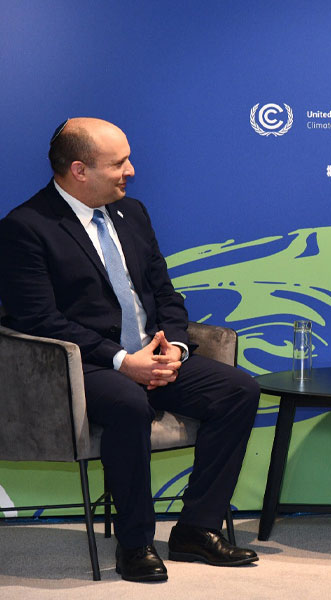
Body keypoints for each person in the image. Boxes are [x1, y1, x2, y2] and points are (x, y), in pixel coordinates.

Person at [0, 118, 262, 582]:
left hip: (153, 353)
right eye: (118, 163)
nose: (132, 170)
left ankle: (196, 529)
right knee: (127, 402)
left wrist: (175, 348)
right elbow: (37, 319)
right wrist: (124, 362)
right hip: (86, 364)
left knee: (237, 389)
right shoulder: (26, 227)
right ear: (79, 170)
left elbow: (165, 294)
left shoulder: (132, 214)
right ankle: (135, 541)